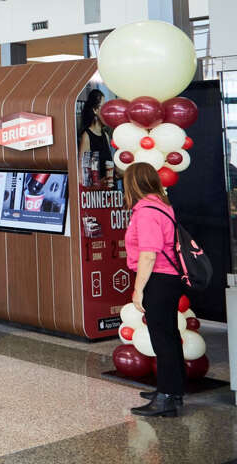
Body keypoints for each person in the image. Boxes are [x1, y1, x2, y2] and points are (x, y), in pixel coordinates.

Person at [125, 162, 187, 417]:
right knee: (169, 336)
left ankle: (166, 398)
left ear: (133, 184)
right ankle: (172, 390)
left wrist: (138, 289)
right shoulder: (162, 206)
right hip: (169, 279)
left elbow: (149, 254)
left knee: (163, 339)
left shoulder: (146, 211)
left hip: (158, 279)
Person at [78, 88, 112, 183]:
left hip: (109, 192)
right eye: (103, 107)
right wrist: (99, 183)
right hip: (95, 193)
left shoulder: (105, 135)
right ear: (95, 110)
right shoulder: (87, 136)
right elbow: (82, 175)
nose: (107, 112)